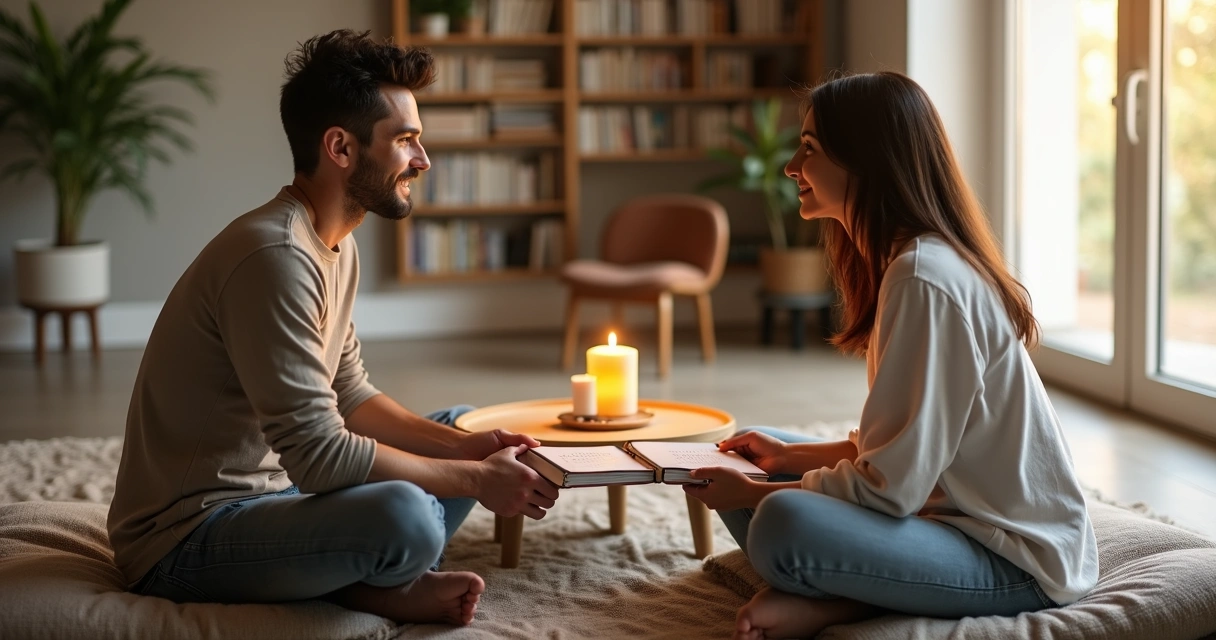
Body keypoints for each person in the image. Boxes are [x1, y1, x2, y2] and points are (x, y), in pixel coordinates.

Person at [106, 30, 560, 627]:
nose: (422, 161)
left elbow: (350, 394)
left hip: (281, 500)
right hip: (187, 536)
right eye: (405, 141)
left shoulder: (333, 246)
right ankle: (362, 586)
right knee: (409, 517)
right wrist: (475, 478)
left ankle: (350, 577)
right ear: (341, 148)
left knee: (460, 423)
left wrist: (464, 449)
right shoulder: (274, 255)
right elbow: (320, 458)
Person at [684, 72, 1099, 640]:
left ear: (865, 160)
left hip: (1017, 561)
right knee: (752, 450)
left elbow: (889, 489)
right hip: (943, 515)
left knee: (780, 521)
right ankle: (854, 594)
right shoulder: (911, 263)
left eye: (808, 150)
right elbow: (906, 452)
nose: (790, 168)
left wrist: (757, 495)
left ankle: (841, 604)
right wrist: (783, 458)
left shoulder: (925, 276)